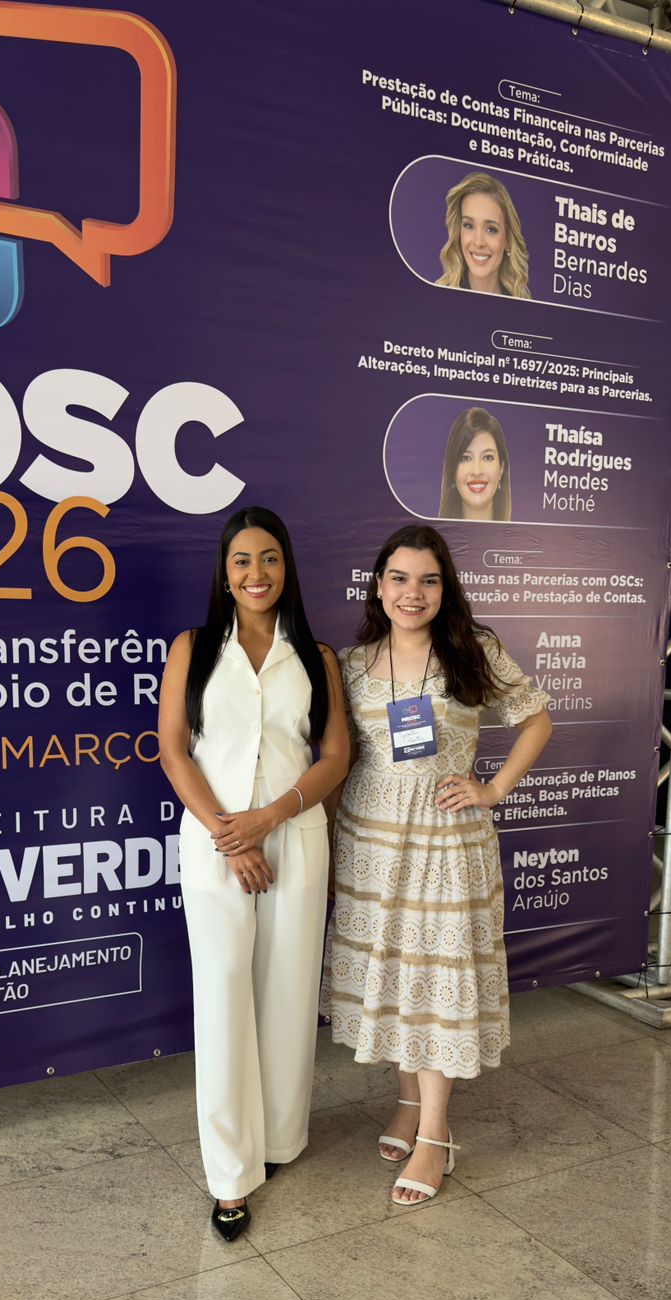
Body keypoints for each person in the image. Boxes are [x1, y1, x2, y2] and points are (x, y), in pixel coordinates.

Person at [322, 526, 551, 1207]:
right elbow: (339, 758)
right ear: (378, 585)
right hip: (370, 844)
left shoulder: (473, 651)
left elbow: (536, 720)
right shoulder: (350, 664)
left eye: (428, 580)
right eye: (399, 578)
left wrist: (493, 788)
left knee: (434, 980)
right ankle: (406, 1104)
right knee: (394, 977)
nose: (412, 593)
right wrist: (329, 839)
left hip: (447, 842)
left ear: (445, 588)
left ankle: (435, 1134)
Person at [158, 507, 348, 1240]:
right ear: (225, 572)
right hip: (215, 843)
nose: (256, 573)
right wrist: (231, 835)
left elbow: (335, 755)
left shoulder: (317, 657)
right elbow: (174, 750)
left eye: (269, 558)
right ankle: (230, 1175)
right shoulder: (194, 648)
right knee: (224, 995)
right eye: (242, 560)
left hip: (296, 836)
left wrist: (269, 819)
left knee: (288, 992)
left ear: (286, 566)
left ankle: (277, 1140)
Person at [435, 172, 530, 298]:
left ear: (507, 240)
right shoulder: (438, 298)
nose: (478, 242)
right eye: (469, 226)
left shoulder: (522, 303)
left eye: (491, 229)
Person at [439, 407, 511, 522]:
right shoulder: (430, 532)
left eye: (487, 457)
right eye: (465, 458)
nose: (477, 471)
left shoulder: (526, 531)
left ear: (501, 469)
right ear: (453, 470)